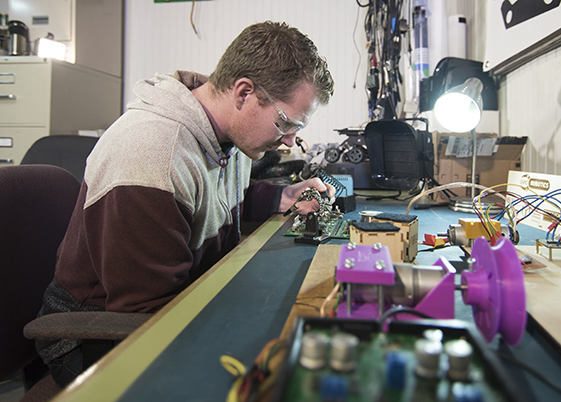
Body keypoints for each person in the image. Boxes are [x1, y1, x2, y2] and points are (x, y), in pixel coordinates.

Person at [35, 21, 336, 387]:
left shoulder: (229, 136)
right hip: (98, 334)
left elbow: (216, 199)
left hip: (180, 296)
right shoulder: (151, 157)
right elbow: (146, 310)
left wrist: (281, 196)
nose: (289, 142)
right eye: (286, 123)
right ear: (243, 93)